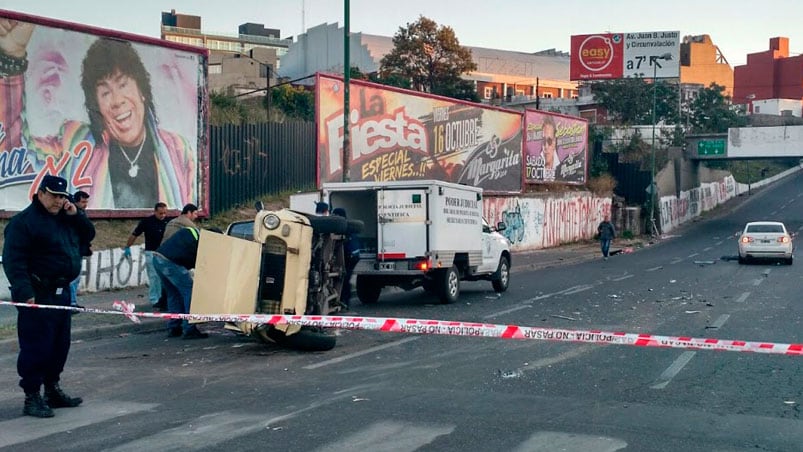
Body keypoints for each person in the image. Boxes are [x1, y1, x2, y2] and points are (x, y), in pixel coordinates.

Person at [0, 20, 197, 209]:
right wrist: (12, 57)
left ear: (142, 91)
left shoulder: (179, 151)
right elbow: (15, 151)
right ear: (97, 107)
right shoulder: (75, 142)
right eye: (105, 92)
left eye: (123, 84)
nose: (117, 100)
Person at [2, 175, 95, 418]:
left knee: (59, 345)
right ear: (41, 193)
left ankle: (52, 389)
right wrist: (25, 293)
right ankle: (31, 396)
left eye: (62, 196)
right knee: (37, 346)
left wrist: (77, 214)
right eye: (54, 195)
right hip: (37, 292)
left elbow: (88, 235)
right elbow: (14, 261)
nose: (58, 201)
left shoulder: (66, 218)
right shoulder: (24, 222)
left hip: (62, 292)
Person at [152, 226, 222, 339]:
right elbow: (200, 264)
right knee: (189, 292)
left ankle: (174, 327)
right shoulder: (201, 243)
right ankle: (189, 328)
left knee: (174, 294)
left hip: (157, 259)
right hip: (171, 263)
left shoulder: (190, 231)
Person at [124, 202, 170, 311]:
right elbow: (135, 234)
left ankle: (164, 299)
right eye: (160, 213)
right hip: (152, 252)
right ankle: (155, 299)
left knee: (165, 277)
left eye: (164, 213)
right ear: (155, 212)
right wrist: (127, 247)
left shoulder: (169, 222)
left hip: (165, 253)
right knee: (154, 277)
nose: (162, 216)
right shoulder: (147, 222)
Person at [68, 190, 93, 311]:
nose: (85, 204)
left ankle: (72, 302)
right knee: (73, 278)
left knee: (75, 278)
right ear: (76, 201)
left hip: (79, 249)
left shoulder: (80, 213)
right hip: (74, 250)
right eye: (83, 202)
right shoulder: (74, 214)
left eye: (86, 201)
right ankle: (71, 303)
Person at [332, 207, 360, 308]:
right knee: (345, 277)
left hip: (350, 256)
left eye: (334, 215)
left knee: (344, 277)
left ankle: (345, 300)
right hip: (353, 255)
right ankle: (344, 300)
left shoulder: (343, 227)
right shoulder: (346, 225)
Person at [541, 115, 560, 181]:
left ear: (554, 141)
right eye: (543, 141)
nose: (546, 146)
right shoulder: (535, 164)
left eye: (549, 141)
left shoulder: (562, 168)